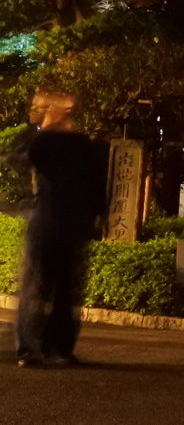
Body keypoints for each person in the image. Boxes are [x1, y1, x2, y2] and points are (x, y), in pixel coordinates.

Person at [15, 91, 108, 368]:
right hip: (66, 224)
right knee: (58, 289)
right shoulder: (78, 146)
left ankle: (36, 348)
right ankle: (54, 348)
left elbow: (30, 154)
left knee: (41, 288)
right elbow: (97, 187)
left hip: (50, 223)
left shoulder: (52, 144)